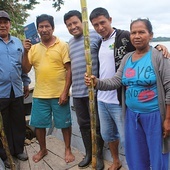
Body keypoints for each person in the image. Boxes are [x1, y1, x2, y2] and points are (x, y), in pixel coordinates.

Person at [89, 7, 170, 170]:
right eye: (134, 33)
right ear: (130, 35)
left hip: (154, 115)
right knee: (136, 156)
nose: (137, 36)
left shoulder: (159, 57)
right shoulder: (127, 58)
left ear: (151, 35)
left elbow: (169, 89)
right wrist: (97, 82)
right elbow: (116, 81)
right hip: (131, 115)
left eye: (142, 32)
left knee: (158, 156)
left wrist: (167, 119)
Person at [22, 14, 75, 163]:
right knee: (39, 125)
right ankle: (43, 149)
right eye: (41, 26)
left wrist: (65, 92)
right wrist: (25, 52)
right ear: (37, 29)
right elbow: (26, 69)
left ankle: (68, 149)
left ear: (53, 28)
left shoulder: (62, 45)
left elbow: (69, 70)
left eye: (47, 26)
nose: (44, 29)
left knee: (65, 124)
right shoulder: (33, 48)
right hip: (39, 94)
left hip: (59, 94)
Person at [63, 10, 104, 170]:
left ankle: (98, 156)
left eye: (75, 23)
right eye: (69, 25)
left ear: (82, 22)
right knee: (83, 125)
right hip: (78, 92)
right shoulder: (70, 43)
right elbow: (71, 68)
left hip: (94, 91)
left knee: (97, 125)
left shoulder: (95, 36)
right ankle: (88, 153)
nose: (73, 27)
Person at [0, 10, 30, 168]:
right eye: (0, 22)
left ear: (9, 24)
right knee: (2, 124)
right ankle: (4, 154)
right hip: (1, 93)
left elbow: (22, 67)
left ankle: (18, 150)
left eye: (5, 22)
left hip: (17, 89)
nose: (2, 25)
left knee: (18, 121)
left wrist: (26, 82)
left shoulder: (18, 42)